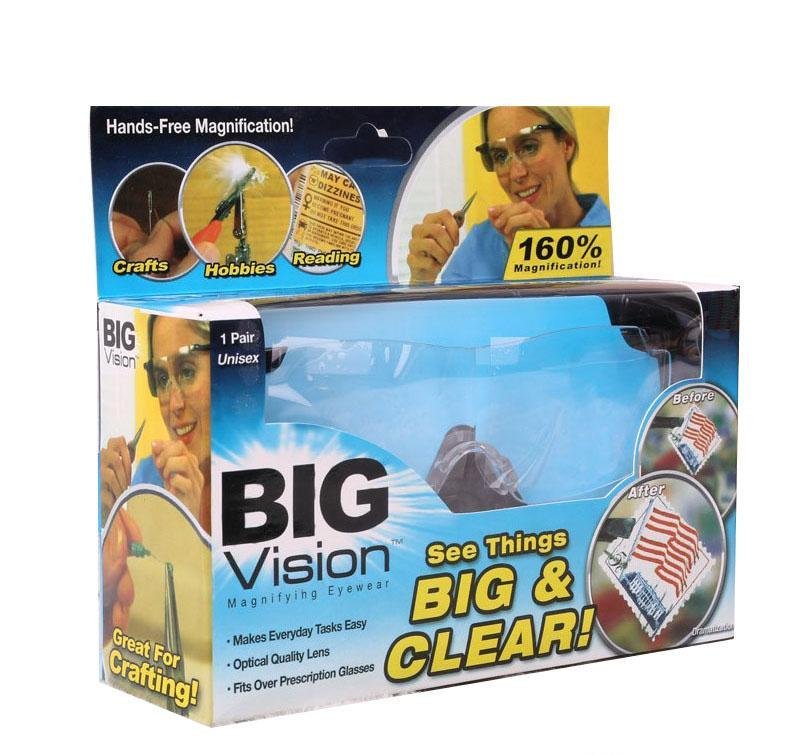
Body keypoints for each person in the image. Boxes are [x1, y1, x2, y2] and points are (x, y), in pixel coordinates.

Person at [407, 106, 610, 285]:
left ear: (566, 144)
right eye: (500, 156)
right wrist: (421, 281)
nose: (516, 174)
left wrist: (539, 261)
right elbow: (449, 317)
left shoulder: (614, 237)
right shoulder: (479, 245)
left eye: (529, 147)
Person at [99, 316, 212, 534]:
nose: (175, 404)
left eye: (187, 372)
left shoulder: (259, 461)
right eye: (161, 378)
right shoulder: (148, 478)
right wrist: (108, 522)